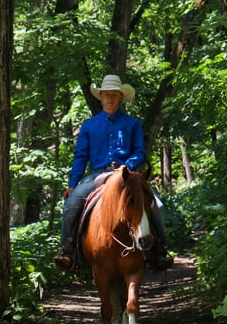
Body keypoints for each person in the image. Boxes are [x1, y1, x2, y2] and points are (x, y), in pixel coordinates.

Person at [54, 74, 173, 273]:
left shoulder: (132, 124)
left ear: (120, 98)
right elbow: (80, 157)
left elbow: (140, 152)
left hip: (127, 176)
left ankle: (160, 251)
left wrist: (126, 167)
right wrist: (72, 184)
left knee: (157, 205)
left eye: (114, 95)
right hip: (97, 175)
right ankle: (67, 252)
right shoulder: (89, 126)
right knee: (71, 205)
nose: (110, 99)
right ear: (101, 97)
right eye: (106, 95)